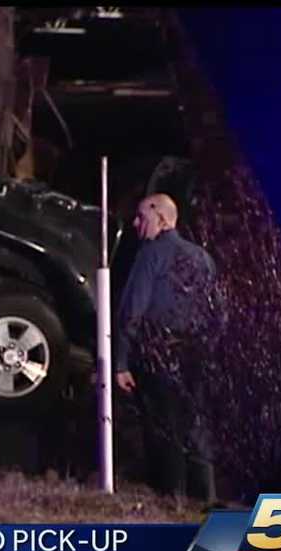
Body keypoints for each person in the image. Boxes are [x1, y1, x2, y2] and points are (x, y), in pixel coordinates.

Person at [114, 193, 219, 500]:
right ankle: (205, 498)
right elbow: (218, 311)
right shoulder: (202, 258)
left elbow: (132, 309)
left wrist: (120, 362)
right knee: (196, 426)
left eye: (141, 217)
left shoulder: (151, 254)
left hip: (160, 352)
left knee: (164, 427)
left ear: (160, 218)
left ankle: (171, 498)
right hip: (197, 353)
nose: (135, 224)